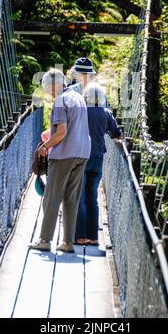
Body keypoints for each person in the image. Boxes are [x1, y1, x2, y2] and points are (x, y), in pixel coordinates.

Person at [30, 68, 91, 253]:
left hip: (64, 154)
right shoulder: (78, 97)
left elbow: (62, 133)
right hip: (83, 153)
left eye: (47, 87)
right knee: (71, 199)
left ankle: (45, 240)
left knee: (51, 197)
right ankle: (67, 242)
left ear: (54, 85)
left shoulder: (60, 100)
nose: (47, 91)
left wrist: (44, 147)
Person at [75, 82, 122, 246]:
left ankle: (80, 236)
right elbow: (117, 134)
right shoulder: (106, 113)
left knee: (79, 197)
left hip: (80, 157)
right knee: (92, 196)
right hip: (97, 158)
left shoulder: (80, 111)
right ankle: (93, 237)